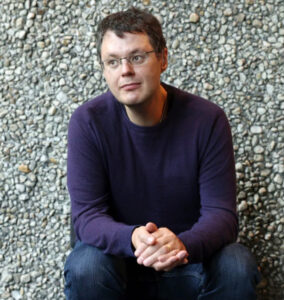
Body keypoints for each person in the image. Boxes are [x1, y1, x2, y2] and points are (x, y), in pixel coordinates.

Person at [64, 7, 261, 300]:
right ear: (104, 70)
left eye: (137, 57)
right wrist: (132, 237)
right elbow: (87, 216)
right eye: (113, 62)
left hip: (189, 265)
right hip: (118, 269)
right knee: (86, 265)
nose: (125, 70)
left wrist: (180, 244)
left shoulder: (207, 120)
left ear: (163, 58)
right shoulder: (88, 122)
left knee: (236, 264)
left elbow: (222, 216)